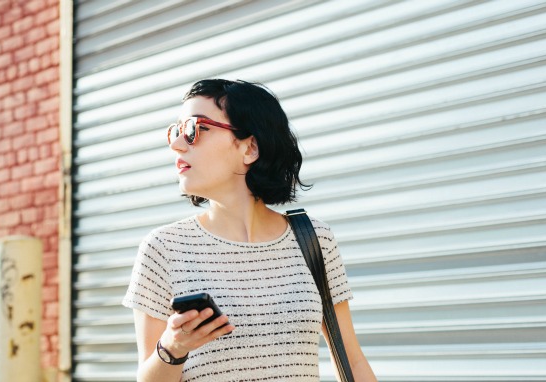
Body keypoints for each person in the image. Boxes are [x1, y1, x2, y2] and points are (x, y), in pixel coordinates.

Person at [122, 79, 377, 381]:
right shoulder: (163, 248)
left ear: (250, 147)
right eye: (175, 131)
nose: (178, 143)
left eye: (193, 129)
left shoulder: (314, 239)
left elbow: (352, 360)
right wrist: (172, 347)